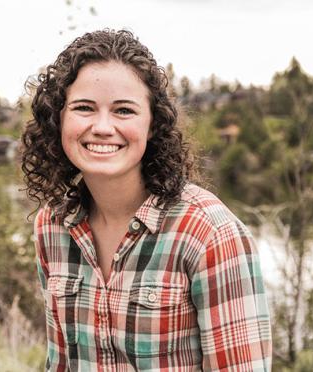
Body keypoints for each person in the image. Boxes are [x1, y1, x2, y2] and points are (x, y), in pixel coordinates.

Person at [21, 29, 272, 371]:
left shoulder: (209, 234)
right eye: (84, 108)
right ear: (59, 119)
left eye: (124, 110)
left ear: (153, 124)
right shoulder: (51, 227)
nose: (103, 127)